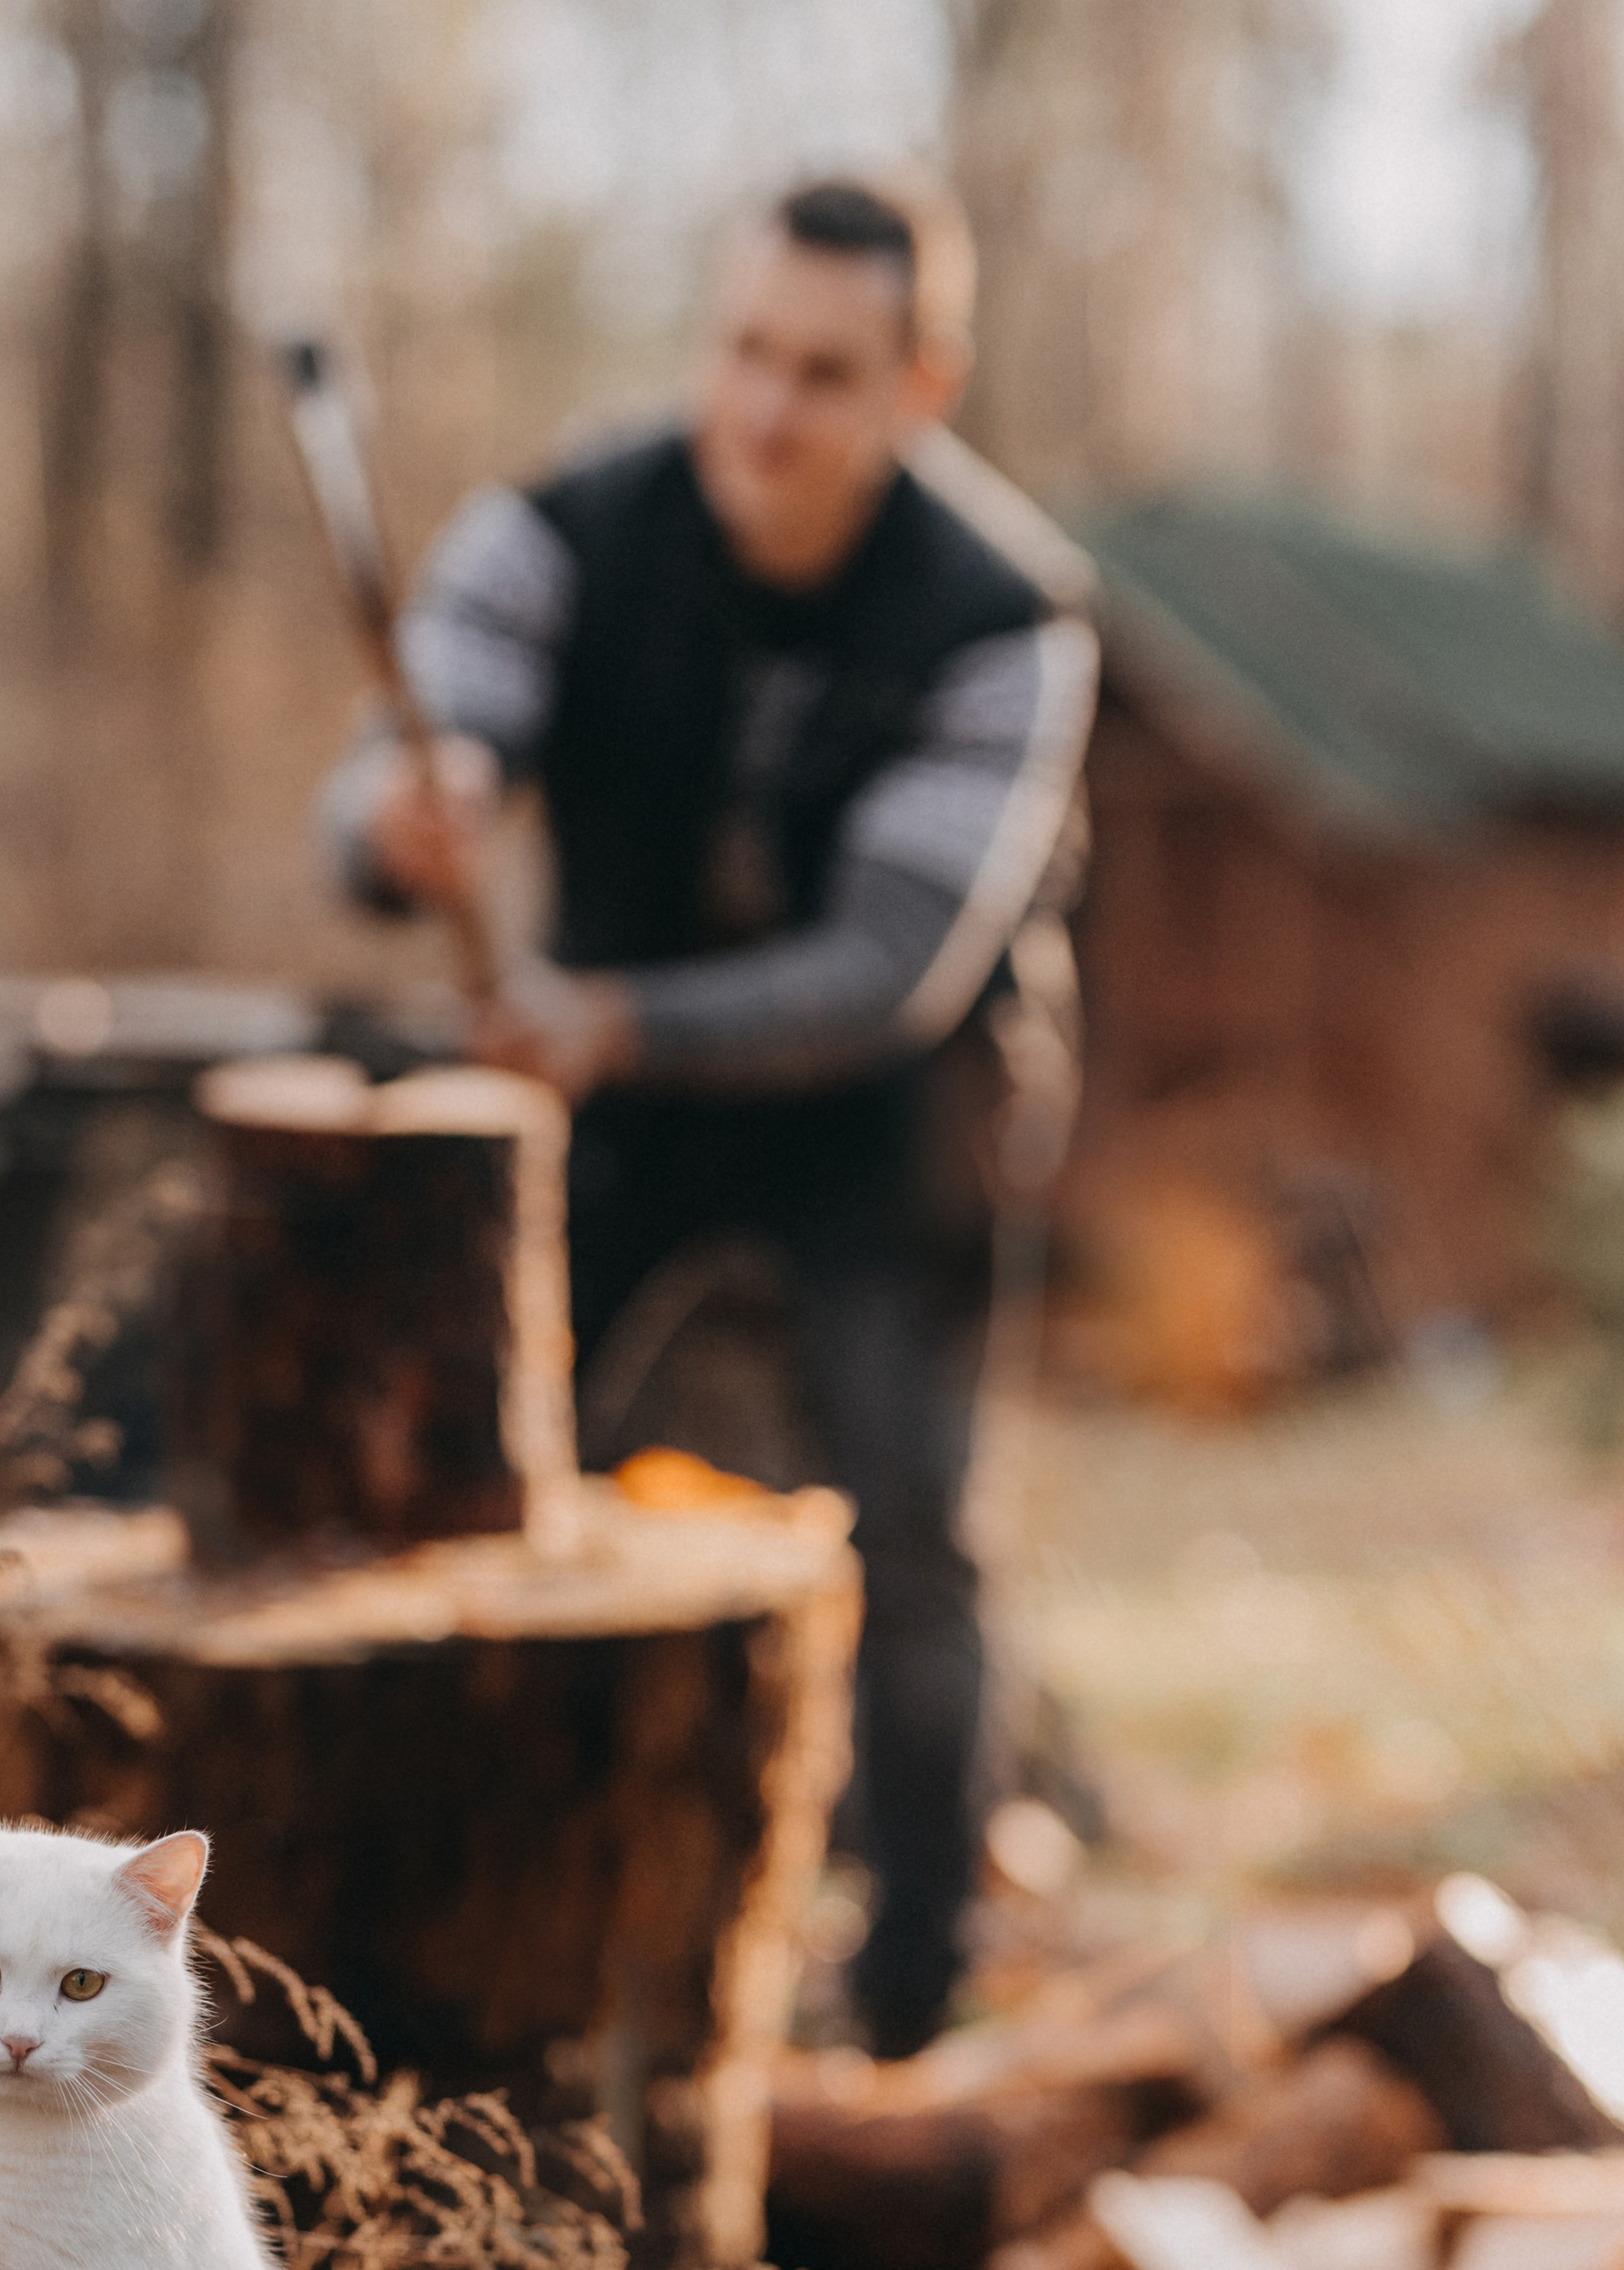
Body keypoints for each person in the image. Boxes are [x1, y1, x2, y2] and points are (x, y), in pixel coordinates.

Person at [325, 177, 1097, 2056]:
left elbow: (884, 970)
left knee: (910, 1542)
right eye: (743, 350)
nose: (764, 409)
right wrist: (392, 816)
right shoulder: (557, 530)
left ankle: (909, 1996)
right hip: (604, 1100)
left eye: (823, 374)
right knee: (472, 1500)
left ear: (921, 384)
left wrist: (602, 1021)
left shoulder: (1009, 617)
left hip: (895, 1108)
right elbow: (390, 772)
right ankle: (436, 1973)